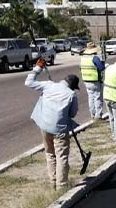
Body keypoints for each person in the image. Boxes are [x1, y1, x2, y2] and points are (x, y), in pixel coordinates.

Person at [25, 58, 79, 189]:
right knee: (61, 156)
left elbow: (28, 82)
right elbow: (72, 114)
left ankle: (53, 182)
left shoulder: (49, 85)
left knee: (50, 154)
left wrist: (37, 69)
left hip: (44, 126)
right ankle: (61, 186)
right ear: (73, 86)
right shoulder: (71, 94)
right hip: (59, 130)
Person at [79, 41, 106, 119]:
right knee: (97, 97)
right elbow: (101, 68)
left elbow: (80, 68)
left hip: (86, 80)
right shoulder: (94, 58)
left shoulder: (83, 58)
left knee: (90, 97)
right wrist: (103, 62)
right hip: (95, 80)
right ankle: (98, 115)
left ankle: (92, 113)